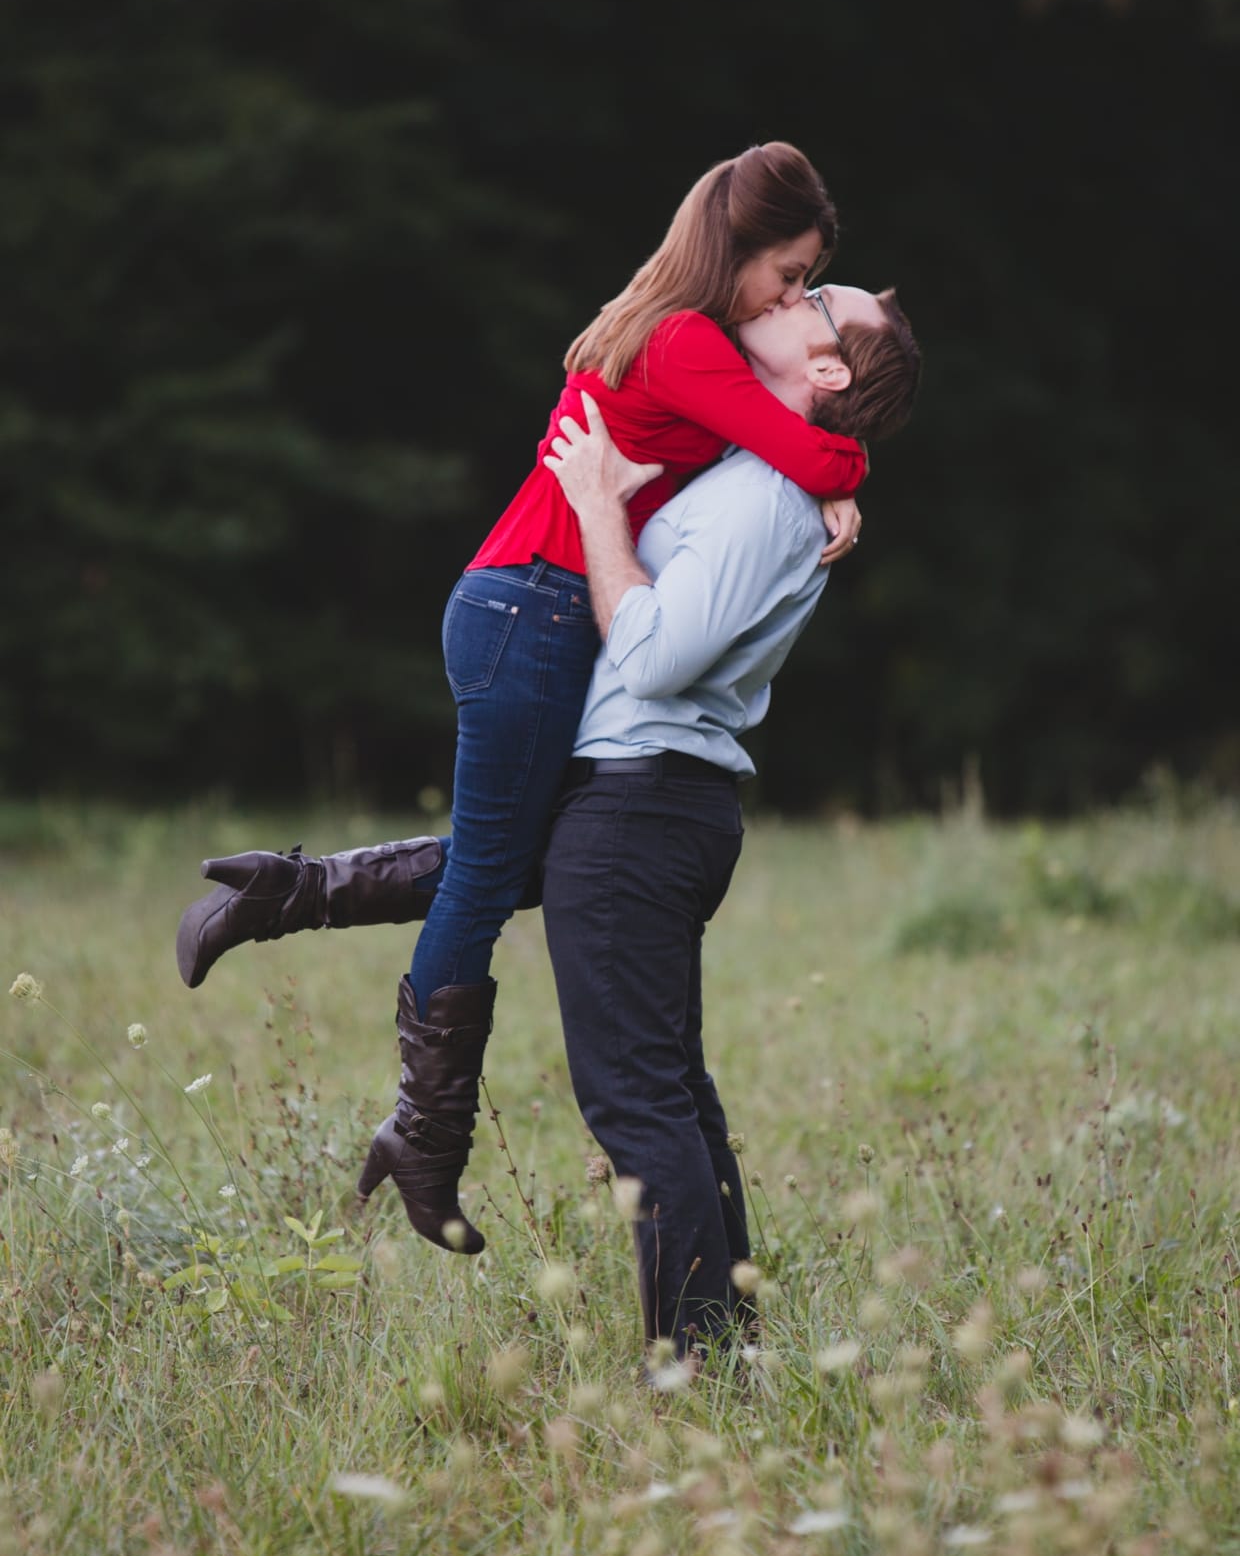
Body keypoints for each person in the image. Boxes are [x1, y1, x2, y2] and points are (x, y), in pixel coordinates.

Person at [179, 142, 903, 1257]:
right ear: (742, 251)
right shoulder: (686, 341)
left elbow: (772, 461)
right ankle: (424, 1134)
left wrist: (819, 476)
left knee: (521, 855)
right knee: (491, 869)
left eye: (810, 288)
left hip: (536, 603)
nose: (792, 295)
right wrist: (837, 480)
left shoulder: (682, 335)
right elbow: (803, 454)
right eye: (792, 273)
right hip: (533, 607)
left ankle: (285, 893)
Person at [535, 282, 920, 1363]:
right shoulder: (765, 474)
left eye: (815, 296)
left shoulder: (758, 499)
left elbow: (654, 658)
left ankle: (695, 1366)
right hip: (654, 802)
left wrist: (599, 506)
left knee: (637, 1101)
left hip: (641, 803)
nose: (789, 290)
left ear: (829, 369)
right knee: (669, 1089)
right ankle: (728, 1347)